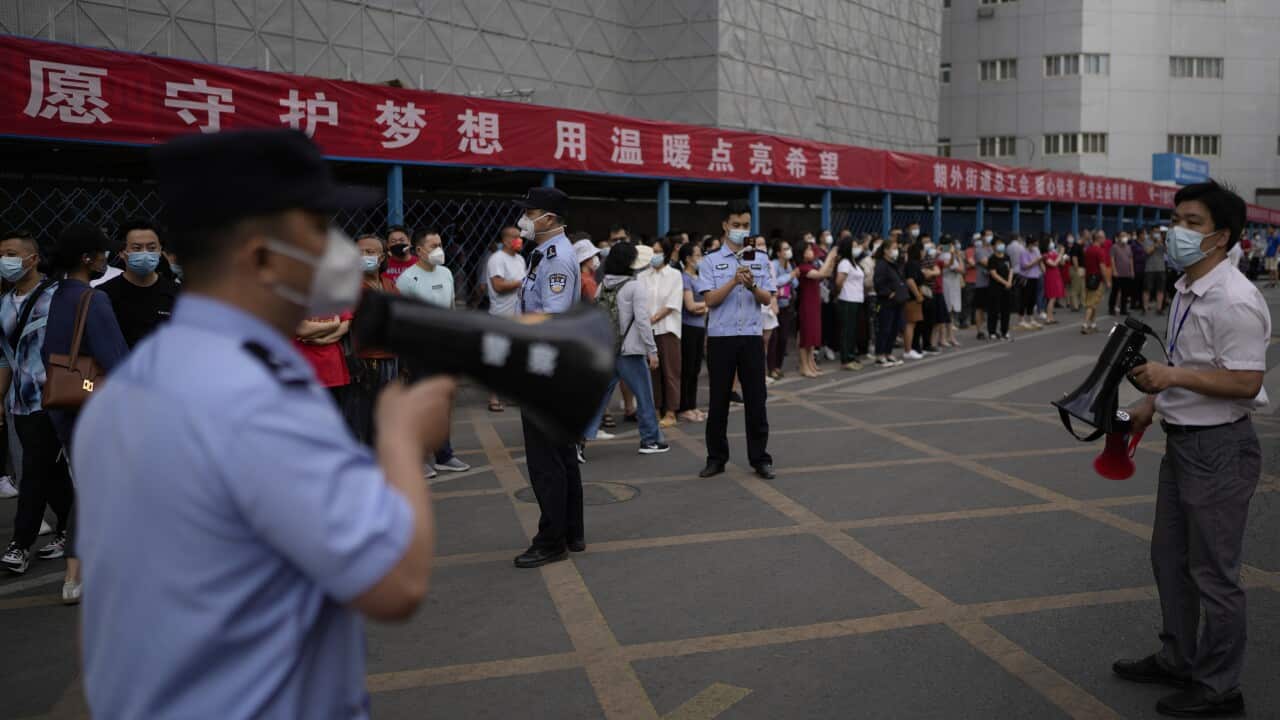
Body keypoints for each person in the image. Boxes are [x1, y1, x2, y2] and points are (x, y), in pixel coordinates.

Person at [71, 130, 450, 718]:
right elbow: (396, 581)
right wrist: (400, 437)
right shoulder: (255, 396)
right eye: (315, 232)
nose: (335, 252)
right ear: (263, 256)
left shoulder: (137, 381)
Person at [1116, 181, 1267, 719]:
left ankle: (1220, 684)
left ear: (1221, 236)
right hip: (1182, 448)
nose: (1176, 230)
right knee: (1169, 561)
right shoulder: (1187, 288)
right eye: (1175, 218)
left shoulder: (1234, 299)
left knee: (1214, 574)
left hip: (1220, 450)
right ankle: (1178, 656)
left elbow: (1246, 383)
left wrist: (1168, 374)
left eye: (1192, 222)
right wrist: (1149, 404)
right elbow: (1184, 365)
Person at [38, 224, 130, 602]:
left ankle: (76, 577)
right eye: (102, 253)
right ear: (87, 258)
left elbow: (51, 354)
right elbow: (118, 362)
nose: (107, 259)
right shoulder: (94, 300)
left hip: (69, 407)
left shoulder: (57, 295)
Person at [511, 186, 584, 568]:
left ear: (549, 218)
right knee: (561, 454)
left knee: (545, 460)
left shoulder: (555, 259)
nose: (524, 219)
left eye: (530, 212)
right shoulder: (544, 254)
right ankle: (571, 530)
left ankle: (551, 538)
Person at [0, 230, 69, 577]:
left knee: (33, 472)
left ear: (33, 258)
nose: (5, 261)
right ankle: (69, 529)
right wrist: (1, 399)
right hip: (21, 403)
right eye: (2, 254)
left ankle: (21, 544)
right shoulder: (4, 302)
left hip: (54, 398)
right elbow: (3, 358)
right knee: (51, 472)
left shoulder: (57, 295)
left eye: (12, 253)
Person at [696, 201, 776, 480]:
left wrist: (752, 284)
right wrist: (732, 280)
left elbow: (767, 298)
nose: (742, 230)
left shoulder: (761, 259)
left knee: (757, 400)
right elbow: (709, 301)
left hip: (752, 337)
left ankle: (760, 458)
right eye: (737, 225)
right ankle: (716, 458)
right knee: (719, 401)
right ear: (725, 226)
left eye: (746, 225)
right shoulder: (709, 261)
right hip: (721, 339)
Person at [396, 229, 471, 477]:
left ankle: (444, 455)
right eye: (433, 245)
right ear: (418, 251)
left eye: (440, 244)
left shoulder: (447, 273)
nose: (439, 249)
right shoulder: (407, 279)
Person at [585, 242, 669, 458]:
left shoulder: (603, 284)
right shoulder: (635, 286)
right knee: (644, 396)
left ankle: (579, 441)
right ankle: (650, 440)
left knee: (599, 398)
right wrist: (652, 350)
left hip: (606, 350)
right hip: (629, 352)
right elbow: (642, 321)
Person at [347, 234, 401, 446]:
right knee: (363, 419)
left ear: (382, 257)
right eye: (359, 252)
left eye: (370, 252)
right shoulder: (351, 287)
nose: (364, 256)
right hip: (365, 363)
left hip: (391, 359)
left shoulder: (389, 284)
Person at [100, 219, 181, 348]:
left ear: (160, 251)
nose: (145, 253)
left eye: (151, 248)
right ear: (122, 252)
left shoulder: (179, 295)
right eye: (137, 248)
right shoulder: (103, 295)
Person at [644, 237, 683, 427]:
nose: (654, 255)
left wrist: (654, 317)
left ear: (666, 254)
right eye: (653, 251)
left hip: (667, 328)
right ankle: (656, 408)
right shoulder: (644, 275)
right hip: (647, 330)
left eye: (658, 251)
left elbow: (673, 303)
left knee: (670, 370)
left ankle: (671, 411)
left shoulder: (675, 275)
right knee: (653, 372)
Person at [795, 240, 838, 377]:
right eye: (808, 250)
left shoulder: (810, 265)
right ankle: (804, 366)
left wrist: (832, 261)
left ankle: (810, 363)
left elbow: (826, 273)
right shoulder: (803, 267)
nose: (811, 252)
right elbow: (820, 274)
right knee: (806, 336)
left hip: (814, 303)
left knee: (812, 335)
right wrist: (830, 256)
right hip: (806, 304)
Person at [677, 242, 708, 423]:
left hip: (699, 326)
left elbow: (700, 306)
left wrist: (703, 307)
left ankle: (693, 405)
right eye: (697, 255)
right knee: (688, 368)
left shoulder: (699, 277)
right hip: (688, 326)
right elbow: (690, 306)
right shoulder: (685, 278)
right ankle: (684, 407)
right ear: (688, 258)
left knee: (696, 368)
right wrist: (708, 305)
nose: (700, 258)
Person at [872, 236, 906, 366]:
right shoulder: (881, 264)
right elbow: (878, 283)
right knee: (885, 328)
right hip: (886, 302)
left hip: (897, 302)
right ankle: (880, 355)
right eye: (894, 249)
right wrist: (888, 293)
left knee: (894, 329)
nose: (896, 251)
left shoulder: (894, 264)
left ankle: (888, 353)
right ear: (886, 250)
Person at [768, 239, 799, 379]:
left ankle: (778, 366)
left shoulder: (789, 265)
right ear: (778, 252)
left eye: (789, 248)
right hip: (774, 306)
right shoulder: (773, 265)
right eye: (785, 248)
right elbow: (775, 282)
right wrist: (790, 276)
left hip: (786, 305)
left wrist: (791, 276)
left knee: (783, 338)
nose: (788, 251)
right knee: (773, 338)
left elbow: (796, 283)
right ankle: (771, 367)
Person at [834, 236, 865, 370]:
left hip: (856, 299)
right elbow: (839, 282)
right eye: (854, 246)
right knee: (847, 330)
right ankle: (846, 359)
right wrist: (839, 293)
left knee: (853, 330)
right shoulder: (845, 263)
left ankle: (852, 355)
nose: (857, 248)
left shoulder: (854, 263)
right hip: (847, 299)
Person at [1081, 230, 1113, 334]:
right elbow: (1102, 267)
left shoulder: (1088, 250)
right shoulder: (1100, 251)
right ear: (1098, 238)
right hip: (1097, 280)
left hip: (1088, 278)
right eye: (1103, 237)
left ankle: (1093, 324)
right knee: (1091, 303)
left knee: (1093, 302)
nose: (1105, 239)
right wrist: (1107, 281)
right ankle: (1085, 324)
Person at [985, 238, 1014, 341]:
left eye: (1002, 243)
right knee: (994, 310)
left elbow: (1011, 269)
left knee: (1005, 311)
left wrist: (1009, 281)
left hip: (1007, 288)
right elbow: (993, 274)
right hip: (995, 288)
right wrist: (1005, 282)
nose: (1001, 245)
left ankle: (1004, 331)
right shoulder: (992, 259)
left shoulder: (1007, 257)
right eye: (998, 244)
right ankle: (992, 331)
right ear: (993, 247)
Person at [939, 238, 964, 346]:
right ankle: (944, 338)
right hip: (947, 286)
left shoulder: (945, 255)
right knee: (947, 313)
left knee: (950, 314)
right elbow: (961, 269)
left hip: (952, 285)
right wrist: (958, 256)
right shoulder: (947, 256)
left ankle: (950, 337)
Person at [1017, 235, 1043, 330]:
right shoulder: (1024, 252)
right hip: (1026, 278)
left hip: (1035, 277)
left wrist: (1041, 265)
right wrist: (1036, 261)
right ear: (1030, 243)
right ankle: (1021, 319)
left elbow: (1040, 260)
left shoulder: (1036, 251)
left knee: (1032, 299)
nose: (1036, 245)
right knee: (1024, 298)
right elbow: (1025, 266)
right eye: (1034, 243)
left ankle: (1031, 318)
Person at [1110, 232, 1136, 316]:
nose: (1125, 237)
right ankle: (1112, 308)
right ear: (1118, 237)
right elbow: (1112, 259)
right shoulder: (1114, 247)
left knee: (1125, 292)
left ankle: (1123, 309)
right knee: (1115, 291)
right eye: (1123, 236)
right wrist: (1114, 270)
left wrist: (1132, 271)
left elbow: (1131, 259)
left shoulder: (1128, 247)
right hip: (1118, 273)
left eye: (1126, 236)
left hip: (1127, 273)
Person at [972, 233, 992, 339]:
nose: (990, 237)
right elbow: (986, 262)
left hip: (992, 283)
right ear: (982, 237)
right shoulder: (979, 250)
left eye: (991, 235)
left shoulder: (992, 249)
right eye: (988, 235)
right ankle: (980, 331)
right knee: (979, 308)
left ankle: (991, 330)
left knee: (991, 308)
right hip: (981, 283)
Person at [1144, 228, 1168, 314]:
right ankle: (1145, 308)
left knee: (1160, 289)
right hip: (1150, 269)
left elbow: (1168, 252)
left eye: (1158, 232)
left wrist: (1164, 242)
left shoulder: (1162, 241)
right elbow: (1147, 252)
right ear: (1151, 232)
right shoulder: (1147, 241)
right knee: (1147, 289)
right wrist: (1156, 244)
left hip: (1161, 268)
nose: (1157, 234)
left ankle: (1159, 308)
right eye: (1155, 232)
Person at [1041, 236, 1065, 324]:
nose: (1052, 243)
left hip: (1056, 275)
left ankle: (1051, 317)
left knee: (1054, 298)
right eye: (1050, 242)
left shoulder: (1053, 253)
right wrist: (1061, 254)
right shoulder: (1045, 255)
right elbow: (1054, 264)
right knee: (1051, 297)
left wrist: (1060, 255)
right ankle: (1048, 318)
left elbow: (1061, 263)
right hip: (1050, 276)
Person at [575, 238, 602, 304]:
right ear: (586, 259)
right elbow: (595, 304)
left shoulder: (579, 277)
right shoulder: (588, 282)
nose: (596, 258)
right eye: (593, 256)